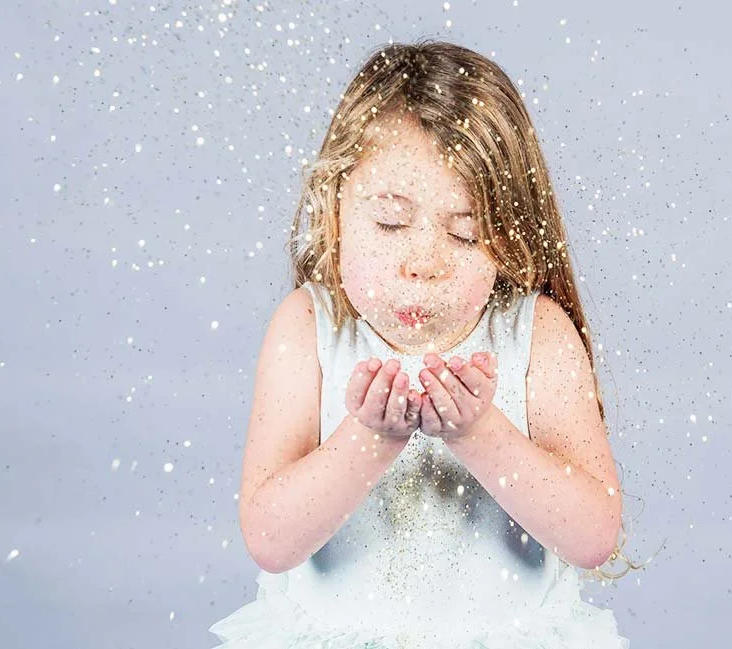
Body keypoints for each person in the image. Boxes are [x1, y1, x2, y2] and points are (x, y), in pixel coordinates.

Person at [209, 39, 632, 648]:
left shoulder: (535, 335)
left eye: (464, 234)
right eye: (389, 222)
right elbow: (271, 540)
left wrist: (479, 434)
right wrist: (369, 440)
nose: (423, 261)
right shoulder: (308, 330)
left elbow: (593, 536)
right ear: (335, 211)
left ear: (509, 234)